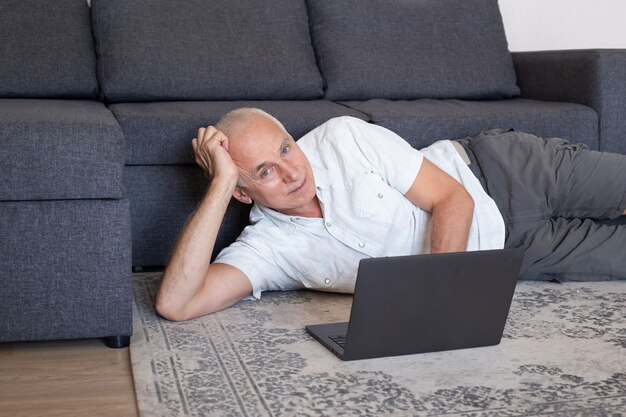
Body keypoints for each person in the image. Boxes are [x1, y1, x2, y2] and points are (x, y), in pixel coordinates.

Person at [155, 108, 626, 321]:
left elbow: (452, 200)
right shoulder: (270, 250)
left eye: (286, 148)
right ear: (241, 193)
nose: (292, 171)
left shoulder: (342, 137)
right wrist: (218, 184)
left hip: (506, 171)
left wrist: (435, 300)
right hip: (513, 254)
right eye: (265, 171)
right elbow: (176, 304)